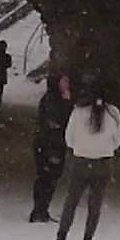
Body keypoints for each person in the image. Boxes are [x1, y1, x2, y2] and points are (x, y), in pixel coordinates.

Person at [47, 80, 120, 240]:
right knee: (95, 205)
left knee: (71, 202)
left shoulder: (78, 112)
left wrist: (82, 147)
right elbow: (118, 140)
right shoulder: (114, 113)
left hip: (81, 162)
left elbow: (69, 139)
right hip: (103, 163)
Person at [29, 72, 72, 223]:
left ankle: (41, 209)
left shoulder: (51, 98)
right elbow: (57, 121)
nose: (67, 84)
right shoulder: (54, 100)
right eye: (64, 81)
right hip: (51, 144)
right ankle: (39, 210)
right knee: (48, 176)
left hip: (50, 142)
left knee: (47, 177)